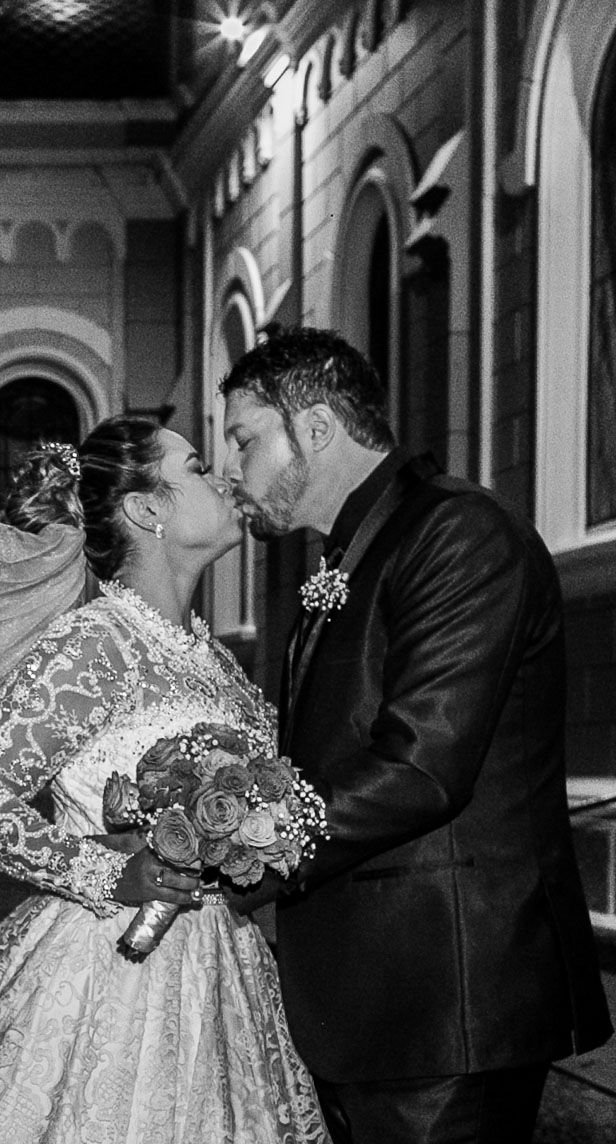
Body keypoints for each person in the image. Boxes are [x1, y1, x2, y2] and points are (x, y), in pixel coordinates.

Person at [0, 417, 326, 1144]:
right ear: (147, 509)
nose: (222, 478)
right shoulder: (96, 642)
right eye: (195, 467)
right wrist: (110, 871)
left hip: (225, 966)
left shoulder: (215, 660)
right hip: (114, 964)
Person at [219, 327, 610, 1144]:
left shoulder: (459, 536)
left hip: (448, 1003)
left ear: (316, 428)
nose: (230, 469)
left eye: (244, 438)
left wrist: (245, 853)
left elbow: (423, 765)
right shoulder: (358, 551)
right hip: (377, 1000)